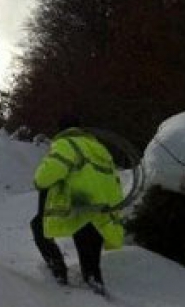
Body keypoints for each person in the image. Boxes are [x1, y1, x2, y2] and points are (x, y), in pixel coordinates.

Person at [31, 114, 124, 295]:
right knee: (88, 233)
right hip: (102, 203)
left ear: (61, 130)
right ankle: (93, 278)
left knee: (38, 226)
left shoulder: (66, 144)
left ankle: (58, 270)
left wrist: (39, 180)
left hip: (79, 200)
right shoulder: (100, 148)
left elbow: (46, 176)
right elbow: (114, 179)